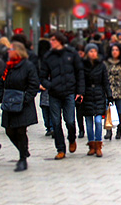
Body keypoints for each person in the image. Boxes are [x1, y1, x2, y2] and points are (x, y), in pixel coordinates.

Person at [40, 32, 85, 160]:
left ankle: (72, 138)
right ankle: (60, 149)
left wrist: (80, 91)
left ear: (60, 41)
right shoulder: (48, 56)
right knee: (55, 122)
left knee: (70, 120)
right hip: (54, 94)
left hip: (69, 92)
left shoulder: (71, 54)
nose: (51, 42)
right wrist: (50, 85)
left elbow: (79, 73)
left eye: (53, 40)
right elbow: (42, 76)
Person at [0, 42, 39, 171]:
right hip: (9, 103)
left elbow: (34, 84)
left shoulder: (28, 66)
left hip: (22, 104)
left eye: (11, 49)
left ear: (18, 51)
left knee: (21, 131)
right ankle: (24, 150)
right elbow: (2, 82)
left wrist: (25, 99)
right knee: (9, 130)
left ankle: (22, 158)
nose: (8, 51)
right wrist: (1, 96)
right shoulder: (9, 66)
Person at [81, 44, 112, 157]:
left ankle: (98, 144)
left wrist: (109, 95)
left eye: (95, 51)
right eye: (91, 51)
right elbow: (81, 81)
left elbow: (105, 81)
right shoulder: (83, 66)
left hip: (99, 95)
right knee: (89, 123)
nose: (93, 53)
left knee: (98, 121)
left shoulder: (101, 65)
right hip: (87, 95)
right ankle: (91, 145)